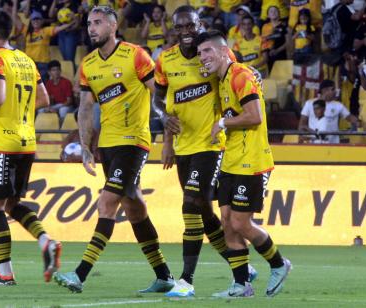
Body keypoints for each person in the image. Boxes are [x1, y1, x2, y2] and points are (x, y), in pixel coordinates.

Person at [53, 5, 174, 294]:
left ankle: (80, 274)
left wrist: (166, 125)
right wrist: (84, 146)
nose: (91, 28)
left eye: (97, 22)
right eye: (89, 23)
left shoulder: (135, 55)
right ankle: (164, 275)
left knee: (107, 202)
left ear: (112, 26)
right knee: (134, 208)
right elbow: (84, 107)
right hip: (107, 144)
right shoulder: (89, 64)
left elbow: (157, 94)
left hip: (134, 141)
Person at [151, 6, 257, 298]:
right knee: (205, 213)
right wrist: (165, 129)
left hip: (211, 144)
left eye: (190, 26)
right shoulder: (165, 59)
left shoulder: (215, 54)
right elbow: (159, 99)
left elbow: (239, 78)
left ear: (199, 25)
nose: (185, 32)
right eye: (179, 28)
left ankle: (186, 280)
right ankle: (242, 269)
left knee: (189, 204)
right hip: (183, 145)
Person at [0, 10, 61, 286]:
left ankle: (5, 274)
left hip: (2, 144)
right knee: (11, 204)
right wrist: (17, 113)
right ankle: (46, 240)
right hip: (26, 142)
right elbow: (43, 99)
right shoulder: (25, 59)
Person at [196, 30, 291, 298]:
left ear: (225, 51)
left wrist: (224, 122)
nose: (202, 57)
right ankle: (241, 285)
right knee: (227, 222)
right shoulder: (223, 78)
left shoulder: (240, 75)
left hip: (252, 160)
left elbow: (255, 117)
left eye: (207, 51)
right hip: (231, 159)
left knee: (240, 223)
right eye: (200, 53)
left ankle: (278, 264)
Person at [299, 79, 358, 144]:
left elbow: (352, 119)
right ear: (325, 90)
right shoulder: (309, 104)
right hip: (314, 144)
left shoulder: (338, 105)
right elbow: (302, 123)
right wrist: (301, 136)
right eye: (333, 89)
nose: (335, 92)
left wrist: (359, 123)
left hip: (333, 145)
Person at [42, 60, 75, 127]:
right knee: (41, 110)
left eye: (58, 70)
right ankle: (46, 127)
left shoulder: (66, 82)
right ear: (49, 72)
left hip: (67, 106)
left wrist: (56, 109)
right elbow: (48, 100)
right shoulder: (48, 83)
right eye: (53, 70)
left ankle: (61, 128)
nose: (56, 72)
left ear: (60, 71)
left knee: (62, 110)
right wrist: (49, 108)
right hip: (55, 105)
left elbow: (69, 101)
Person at [261, 6, 288, 71]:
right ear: (268, 15)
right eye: (271, 11)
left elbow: (288, 42)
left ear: (279, 14)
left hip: (281, 54)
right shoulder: (265, 27)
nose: (273, 12)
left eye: (275, 11)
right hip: (269, 55)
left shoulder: (284, 26)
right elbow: (263, 41)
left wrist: (277, 50)